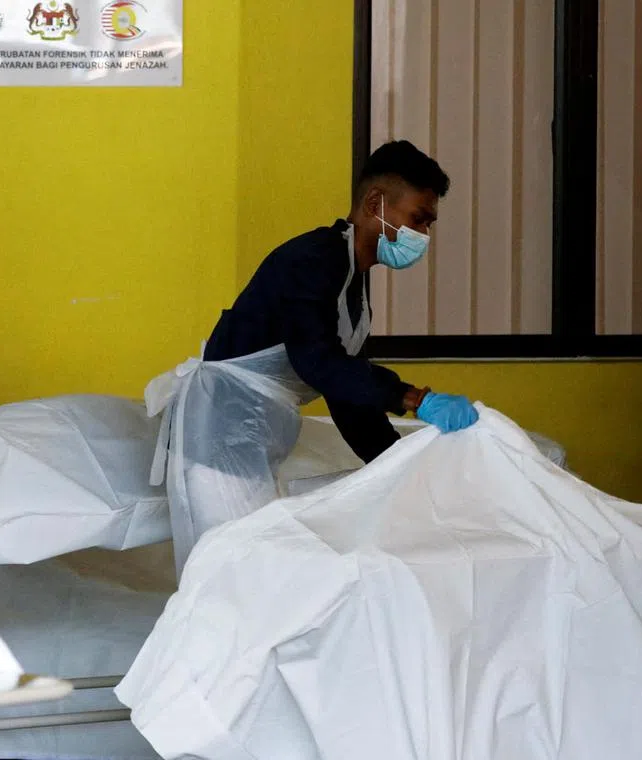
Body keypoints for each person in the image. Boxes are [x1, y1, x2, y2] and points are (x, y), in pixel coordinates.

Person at [155, 140, 479, 574]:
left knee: (256, 573)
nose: (423, 236)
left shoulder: (352, 283)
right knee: (236, 575)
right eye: (418, 219)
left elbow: (347, 395)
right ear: (375, 203)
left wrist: (398, 464)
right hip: (218, 440)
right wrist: (414, 399)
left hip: (249, 438)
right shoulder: (312, 261)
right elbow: (317, 361)